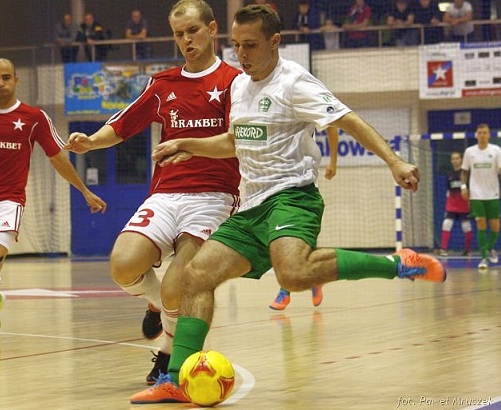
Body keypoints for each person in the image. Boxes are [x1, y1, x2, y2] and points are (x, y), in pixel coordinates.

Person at [130, 5, 446, 403]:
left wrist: (395, 161)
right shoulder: (239, 87)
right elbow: (234, 141)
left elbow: (348, 120)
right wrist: (187, 144)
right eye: (236, 45)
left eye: (250, 45)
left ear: (275, 42)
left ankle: (398, 264)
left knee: (294, 274)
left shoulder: (294, 82)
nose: (241, 54)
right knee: (196, 276)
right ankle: (176, 378)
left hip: (292, 197)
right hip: (252, 205)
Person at [65, 0, 241, 387]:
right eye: (179, 34)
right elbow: (122, 125)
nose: (186, 40)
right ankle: (163, 306)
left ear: (212, 29)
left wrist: (190, 146)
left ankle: (168, 352)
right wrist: (91, 142)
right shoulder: (162, 84)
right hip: (165, 195)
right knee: (122, 265)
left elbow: (237, 142)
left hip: (213, 197)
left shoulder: (234, 82)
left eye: (193, 30)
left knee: (182, 283)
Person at [0, 58, 107, 347]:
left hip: (8, 202)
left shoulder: (34, 118)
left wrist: (84, 190)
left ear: (15, 80)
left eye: (6, 77)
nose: (1, 83)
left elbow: (58, 158)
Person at [269, 127, 339, 311]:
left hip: (300, 183)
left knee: (289, 240)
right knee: (285, 242)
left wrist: (333, 161)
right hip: (272, 183)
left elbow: (332, 126)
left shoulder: (305, 109)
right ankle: (314, 279)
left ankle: (285, 291)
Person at [460, 123, 501, 270]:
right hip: (476, 194)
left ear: (489, 135)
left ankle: (490, 247)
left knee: (495, 226)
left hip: (492, 193)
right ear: (476, 135)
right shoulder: (469, 151)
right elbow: (464, 171)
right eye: (479, 133)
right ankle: (484, 258)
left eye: (484, 132)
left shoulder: (496, 150)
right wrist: (463, 187)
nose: (482, 135)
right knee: (481, 223)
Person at [439, 151, 472, 257]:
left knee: (466, 226)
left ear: (461, 159)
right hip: (452, 204)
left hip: (464, 204)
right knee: (446, 224)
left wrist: (470, 201)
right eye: (453, 159)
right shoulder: (450, 174)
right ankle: (443, 249)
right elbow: (448, 190)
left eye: (457, 158)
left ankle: (467, 250)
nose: (455, 161)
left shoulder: (466, 174)